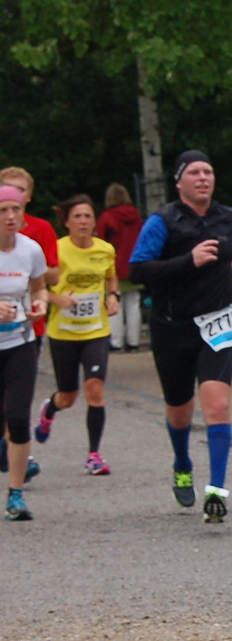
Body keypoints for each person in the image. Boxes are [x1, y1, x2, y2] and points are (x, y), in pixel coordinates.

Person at [130, 150, 232, 522]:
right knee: (180, 411)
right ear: (179, 181)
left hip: (217, 323)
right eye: (195, 173)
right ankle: (182, 462)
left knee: (217, 404)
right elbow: (138, 270)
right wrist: (190, 259)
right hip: (173, 326)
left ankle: (216, 489)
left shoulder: (229, 217)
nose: (204, 178)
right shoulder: (162, 221)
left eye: (209, 172)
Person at [35, 194, 119, 475]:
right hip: (63, 333)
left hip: (96, 331)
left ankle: (94, 454)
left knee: (94, 389)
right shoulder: (55, 251)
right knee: (68, 395)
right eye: (77, 217)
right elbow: (35, 287)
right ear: (66, 222)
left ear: (95, 221)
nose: (83, 222)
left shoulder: (105, 249)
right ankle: (50, 409)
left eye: (88, 216)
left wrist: (114, 296)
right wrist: (57, 300)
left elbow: (111, 276)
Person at [0, 167, 58, 485]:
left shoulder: (30, 248)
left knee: (19, 415)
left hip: (21, 339)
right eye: (4, 209)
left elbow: (40, 286)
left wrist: (41, 304)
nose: (11, 215)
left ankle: (16, 495)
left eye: (16, 208)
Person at [97, 183, 144, 352]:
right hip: (134, 265)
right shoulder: (136, 217)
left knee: (114, 301)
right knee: (133, 304)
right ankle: (133, 342)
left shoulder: (106, 217)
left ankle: (116, 341)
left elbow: (101, 242)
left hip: (113, 266)